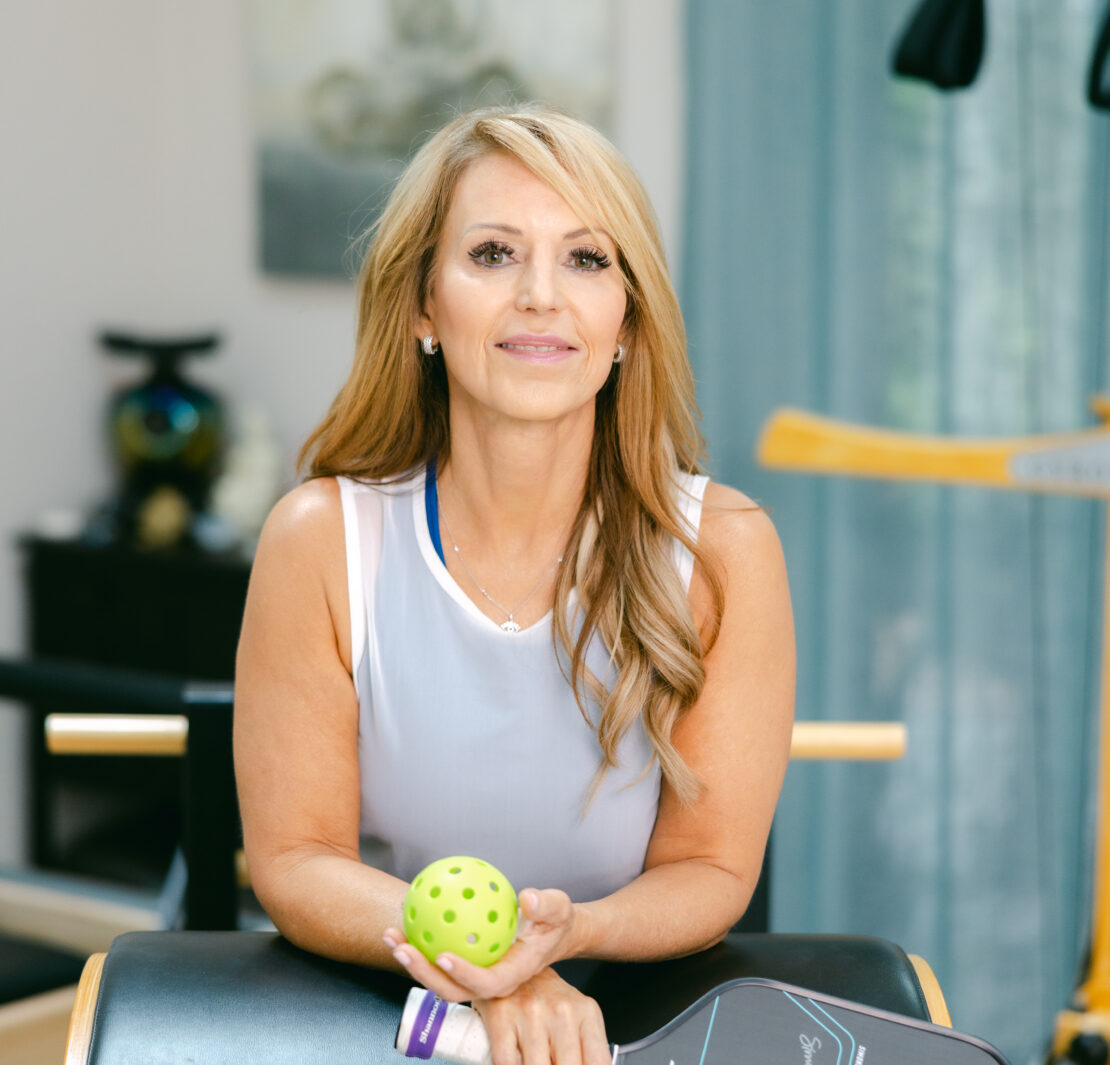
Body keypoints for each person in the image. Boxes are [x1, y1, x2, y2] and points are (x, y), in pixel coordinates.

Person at [234, 104, 795, 1065]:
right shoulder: (319, 539)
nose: (541, 295)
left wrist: (566, 937)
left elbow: (709, 867)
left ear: (626, 322)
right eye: (494, 253)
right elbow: (296, 860)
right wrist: (502, 968)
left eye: (586, 260)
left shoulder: (724, 549)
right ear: (421, 306)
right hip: (372, 1015)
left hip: (623, 1020)